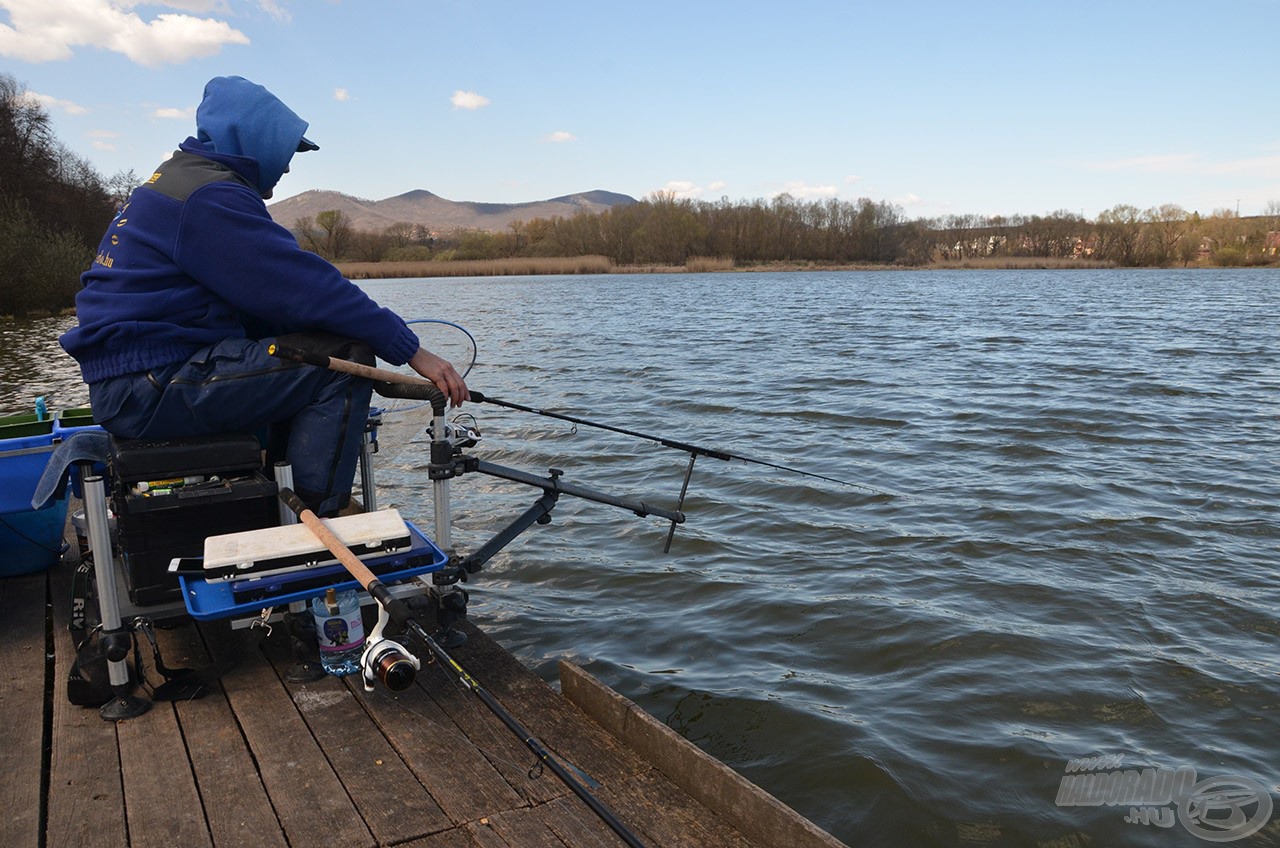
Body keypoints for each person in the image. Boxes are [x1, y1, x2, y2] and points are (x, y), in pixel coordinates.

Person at [60, 76, 467, 515]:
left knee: (298, 347)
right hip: (148, 386)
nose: (289, 167)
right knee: (343, 362)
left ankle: (274, 494)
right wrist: (409, 350)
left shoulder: (181, 181)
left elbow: (266, 304)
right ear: (253, 140)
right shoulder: (208, 196)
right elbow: (304, 286)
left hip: (136, 381)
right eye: (287, 152)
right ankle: (319, 514)